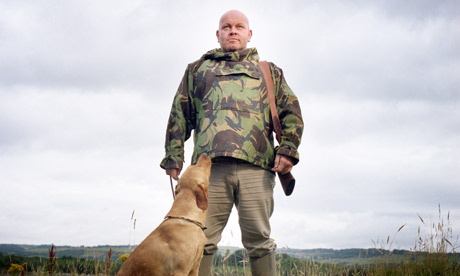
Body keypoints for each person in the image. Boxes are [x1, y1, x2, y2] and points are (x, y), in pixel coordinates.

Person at [160, 10, 303, 276]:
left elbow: (290, 112)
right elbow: (178, 115)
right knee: (200, 239)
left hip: (257, 169)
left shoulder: (268, 72)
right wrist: (173, 157)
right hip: (207, 172)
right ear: (218, 34)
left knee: (259, 242)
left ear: (250, 34)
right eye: (226, 27)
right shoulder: (197, 70)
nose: (233, 31)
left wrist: (288, 151)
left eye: (239, 26)